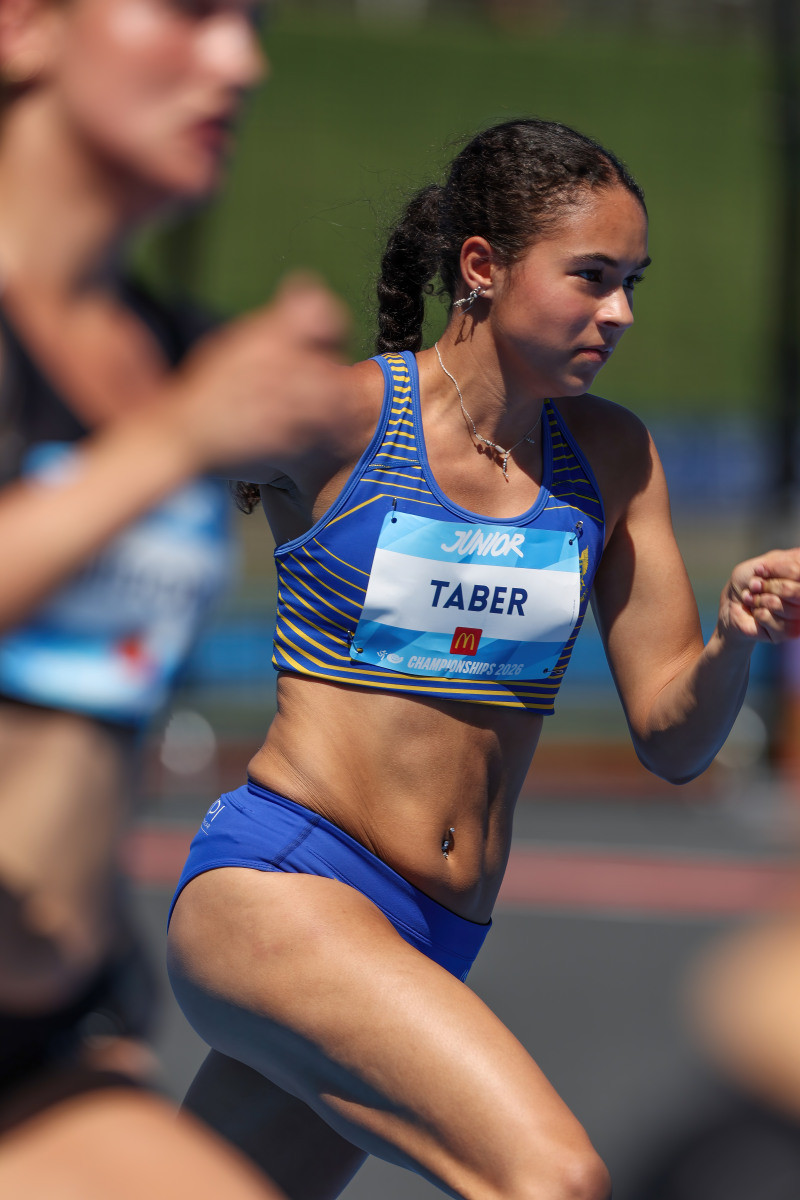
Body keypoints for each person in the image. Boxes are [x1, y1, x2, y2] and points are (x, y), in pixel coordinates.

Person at [166, 117, 800, 1200]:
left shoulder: (612, 456)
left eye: (631, 282)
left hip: (434, 932)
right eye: (591, 277)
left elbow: (673, 739)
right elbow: (133, 441)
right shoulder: (348, 417)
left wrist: (732, 640)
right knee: (551, 1177)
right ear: (480, 267)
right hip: (284, 886)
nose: (620, 313)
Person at [0, 0, 346, 1192]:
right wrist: (171, 444)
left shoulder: (162, 350)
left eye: (250, 20)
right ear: (25, 26)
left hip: (50, 1038)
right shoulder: (181, 415)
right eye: (191, 11)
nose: (239, 60)